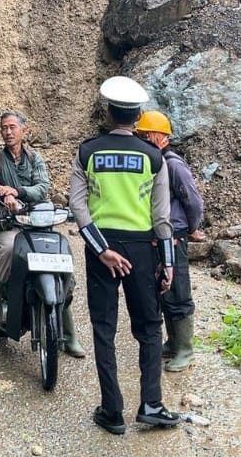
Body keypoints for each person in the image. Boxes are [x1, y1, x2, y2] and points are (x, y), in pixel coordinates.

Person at [70, 76, 181, 434]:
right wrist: (168, 263)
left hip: (101, 247)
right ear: (137, 117)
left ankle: (112, 411)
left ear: (107, 111)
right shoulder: (153, 157)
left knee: (104, 330)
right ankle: (151, 403)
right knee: (149, 329)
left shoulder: (87, 151)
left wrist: (101, 249)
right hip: (141, 250)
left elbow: (78, 206)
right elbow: (161, 217)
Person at [0, 111, 86, 358]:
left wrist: (18, 191)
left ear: (24, 130)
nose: (8, 132)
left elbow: (42, 187)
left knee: (61, 260)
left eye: (12, 127)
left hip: (37, 223)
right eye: (4, 128)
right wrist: (3, 191)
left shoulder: (36, 159)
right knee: (9, 249)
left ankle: (69, 334)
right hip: (10, 224)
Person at [135, 110, 205, 372]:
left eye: (144, 135)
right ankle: (173, 342)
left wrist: (191, 228)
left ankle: (185, 349)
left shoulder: (173, 164)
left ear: (159, 136)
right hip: (158, 236)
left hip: (174, 236)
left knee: (178, 291)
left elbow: (193, 201)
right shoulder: (153, 162)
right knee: (163, 288)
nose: (141, 140)